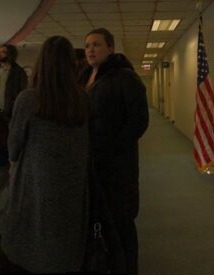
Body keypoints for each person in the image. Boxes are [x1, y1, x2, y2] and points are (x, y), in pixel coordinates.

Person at [2, 35, 91, 273]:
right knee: (65, 242)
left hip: (36, 185)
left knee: (34, 243)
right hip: (72, 184)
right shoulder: (82, 98)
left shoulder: (28, 99)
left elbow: (13, 147)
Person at [81, 28, 149, 272]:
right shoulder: (84, 77)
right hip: (91, 165)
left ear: (110, 48)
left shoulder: (125, 78)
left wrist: (112, 148)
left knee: (121, 224)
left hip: (118, 168)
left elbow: (138, 121)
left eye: (97, 45)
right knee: (98, 224)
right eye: (87, 45)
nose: (90, 49)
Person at [0, 44, 29, 117]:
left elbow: (23, 94)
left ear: (10, 54)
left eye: (3, 52)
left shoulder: (19, 72)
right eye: (0, 52)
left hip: (11, 114)